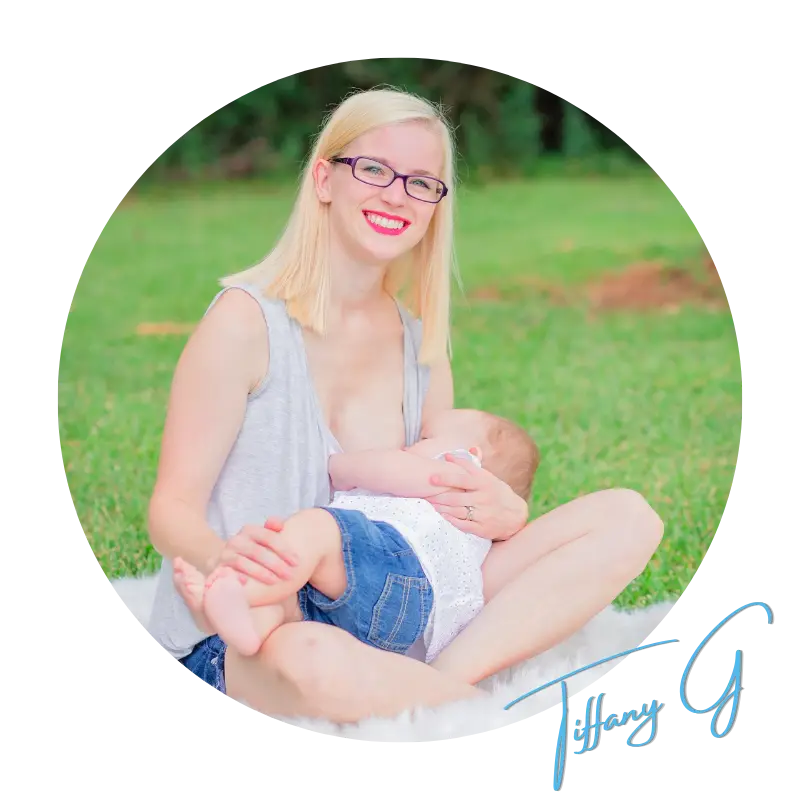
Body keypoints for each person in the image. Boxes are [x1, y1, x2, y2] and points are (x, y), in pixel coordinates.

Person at [146, 86, 664, 723]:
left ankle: (442, 684)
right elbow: (170, 510)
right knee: (312, 659)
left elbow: (428, 514)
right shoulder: (245, 321)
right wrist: (233, 567)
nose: (397, 195)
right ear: (325, 179)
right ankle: (476, 711)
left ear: (437, 206)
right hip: (260, 626)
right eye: (373, 169)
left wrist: (502, 513)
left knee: (628, 516)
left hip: (397, 600)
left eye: (422, 182)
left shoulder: (420, 342)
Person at [171, 407, 540, 666]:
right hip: (398, 625)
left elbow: (381, 469)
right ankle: (252, 627)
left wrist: (341, 466)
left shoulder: (455, 473)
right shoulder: (475, 527)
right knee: (291, 601)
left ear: (467, 454)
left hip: (396, 563)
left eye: (426, 437)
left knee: (316, 528)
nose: (410, 445)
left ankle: (241, 587)